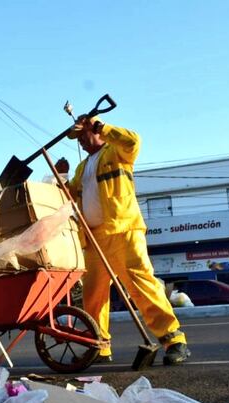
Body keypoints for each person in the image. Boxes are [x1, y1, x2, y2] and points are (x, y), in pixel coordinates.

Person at [57, 115, 190, 365]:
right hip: (94, 238)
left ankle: (174, 341)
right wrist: (62, 176)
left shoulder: (117, 152)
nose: (81, 142)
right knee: (93, 296)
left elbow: (133, 141)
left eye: (83, 136)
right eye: (78, 139)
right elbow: (71, 193)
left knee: (142, 285)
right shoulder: (82, 167)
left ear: (95, 130)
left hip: (124, 231)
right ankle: (100, 346)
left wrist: (104, 128)